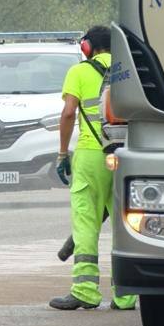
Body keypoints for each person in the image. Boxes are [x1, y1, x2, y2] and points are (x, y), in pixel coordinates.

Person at [49, 26, 137, 311]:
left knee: (86, 222)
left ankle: (85, 290)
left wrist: (63, 153)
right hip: (126, 153)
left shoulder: (79, 72)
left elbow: (68, 113)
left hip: (90, 154)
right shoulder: (130, 71)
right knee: (125, 223)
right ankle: (125, 295)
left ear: (87, 47)